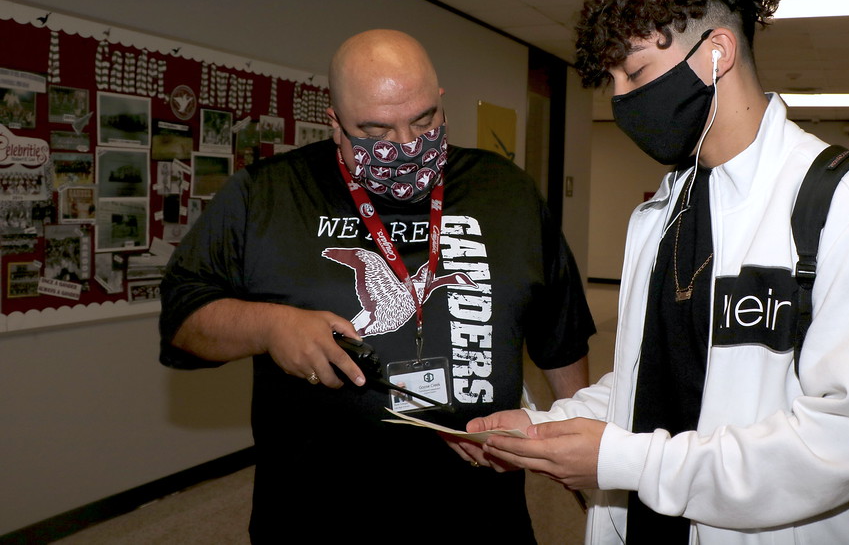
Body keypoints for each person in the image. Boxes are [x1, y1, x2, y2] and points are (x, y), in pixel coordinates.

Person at [458, 0, 849, 543]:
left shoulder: (844, 206)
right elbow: (644, 380)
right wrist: (545, 424)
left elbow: (846, 438)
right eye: (614, 80)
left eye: (637, 72)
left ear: (717, 53)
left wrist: (627, 461)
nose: (622, 98)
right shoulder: (659, 211)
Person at [159, 29, 595, 543]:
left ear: (441, 103)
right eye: (377, 130)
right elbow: (182, 318)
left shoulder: (507, 190)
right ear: (337, 125)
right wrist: (269, 325)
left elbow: (560, 336)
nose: (406, 145)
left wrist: (583, 454)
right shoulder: (267, 195)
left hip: (479, 510)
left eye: (423, 120)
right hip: (318, 513)